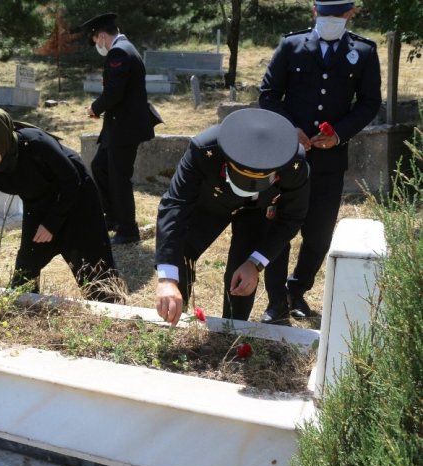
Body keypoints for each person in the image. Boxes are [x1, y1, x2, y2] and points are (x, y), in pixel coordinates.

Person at [258, 0, 382, 324]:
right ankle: (275, 302)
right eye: (324, 14)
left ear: (350, 14)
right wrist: (289, 129)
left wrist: (339, 134)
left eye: (338, 15)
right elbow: (269, 94)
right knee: (279, 228)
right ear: (314, 13)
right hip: (287, 158)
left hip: (330, 160)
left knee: (319, 235)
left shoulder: (364, 52)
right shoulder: (292, 45)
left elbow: (370, 102)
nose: (330, 20)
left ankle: (296, 290)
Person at [155, 108, 311, 325]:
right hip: (210, 204)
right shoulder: (205, 148)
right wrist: (167, 278)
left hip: (257, 212)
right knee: (181, 255)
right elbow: (175, 204)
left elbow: (291, 217)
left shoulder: (293, 162)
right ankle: (175, 319)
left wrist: (255, 263)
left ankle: (233, 330)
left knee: (241, 275)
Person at [0, 107, 122, 303]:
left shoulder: (35, 143)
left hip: (77, 199)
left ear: (0, 140)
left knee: (97, 274)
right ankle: (27, 311)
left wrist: (51, 224)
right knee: (25, 273)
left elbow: (72, 180)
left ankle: (112, 315)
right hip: (38, 205)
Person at [80, 13, 161, 245]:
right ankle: (113, 218)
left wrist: (94, 108)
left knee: (119, 178)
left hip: (124, 129)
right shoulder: (127, 48)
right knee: (100, 167)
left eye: (96, 41)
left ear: (103, 36)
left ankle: (128, 230)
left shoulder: (119, 52)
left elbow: (115, 92)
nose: (98, 45)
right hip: (119, 126)